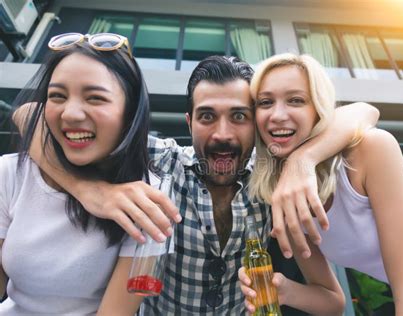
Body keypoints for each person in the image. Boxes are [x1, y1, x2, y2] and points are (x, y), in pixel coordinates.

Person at [14, 55, 379, 314]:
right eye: (207, 117)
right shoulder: (160, 162)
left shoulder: (275, 185)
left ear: (256, 124)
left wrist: (286, 291)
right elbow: (27, 114)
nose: (222, 134)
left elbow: (333, 301)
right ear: (189, 123)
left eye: (239, 116)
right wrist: (89, 190)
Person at [239, 53, 403, 315]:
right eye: (265, 102)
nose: (277, 114)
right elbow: (333, 301)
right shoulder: (282, 197)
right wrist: (286, 290)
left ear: (318, 108)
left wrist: (302, 160)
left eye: (296, 100)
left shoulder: (368, 151)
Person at [0, 33, 160, 314]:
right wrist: (88, 190)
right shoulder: (10, 173)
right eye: (57, 96)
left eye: (95, 97)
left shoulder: (148, 198)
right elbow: (24, 112)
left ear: (130, 112)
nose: (71, 114)